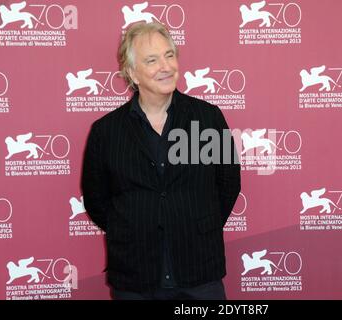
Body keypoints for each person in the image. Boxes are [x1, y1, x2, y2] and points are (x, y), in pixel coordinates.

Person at [81, 21, 241, 300]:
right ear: (132, 73)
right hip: (134, 277)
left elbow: (228, 183)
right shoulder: (105, 131)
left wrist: (199, 226)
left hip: (200, 273)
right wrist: (132, 228)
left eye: (169, 55)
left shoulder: (208, 118)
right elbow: (96, 199)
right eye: (152, 60)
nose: (165, 66)